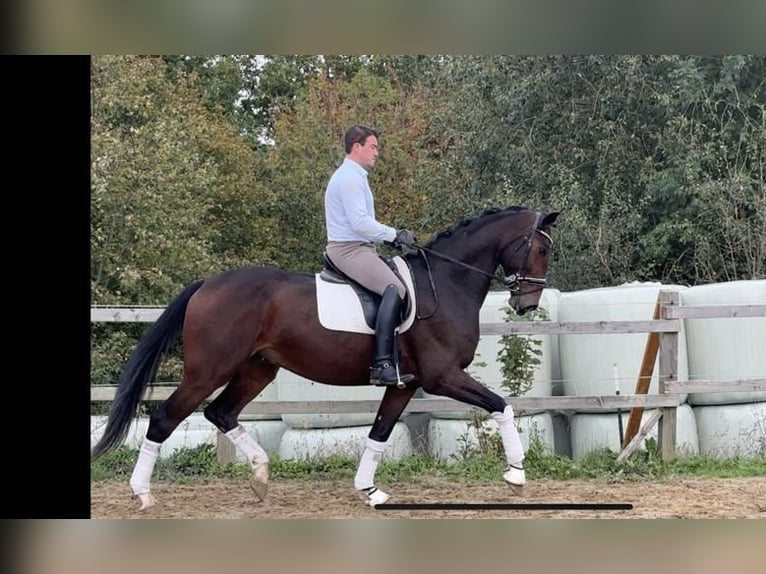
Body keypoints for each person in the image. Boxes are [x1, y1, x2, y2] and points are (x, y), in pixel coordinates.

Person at [324, 125, 417, 386]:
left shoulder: (355, 176)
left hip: (359, 247)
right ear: (357, 147)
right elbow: (360, 223)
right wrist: (394, 234)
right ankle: (383, 363)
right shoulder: (350, 178)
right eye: (373, 147)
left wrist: (389, 239)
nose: (377, 152)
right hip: (349, 250)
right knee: (395, 288)